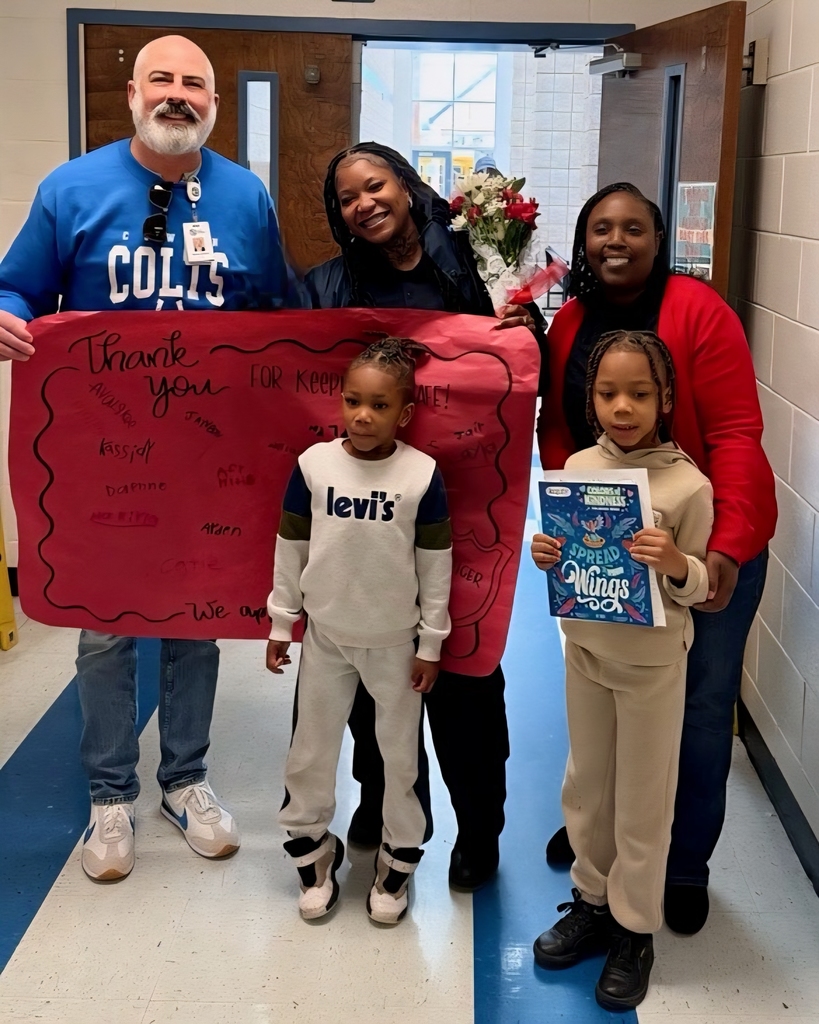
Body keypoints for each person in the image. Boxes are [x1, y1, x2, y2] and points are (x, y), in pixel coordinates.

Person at [0, 35, 294, 881]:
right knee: (107, 628)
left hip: (209, 453)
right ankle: (108, 796)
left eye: (192, 84)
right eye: (161, 80)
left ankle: (187, 779)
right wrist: (9, 313)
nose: (177, 95)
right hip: (106, 454)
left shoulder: (245, 196)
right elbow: (18, 284)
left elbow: (276, 312)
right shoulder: (73, 188)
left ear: (212, 102)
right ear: (132, 94)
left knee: (198, 623)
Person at [538, 182, 777, 933]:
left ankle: (680, 866)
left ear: (658, 238)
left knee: (699, 712)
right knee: (604, 704)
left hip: (702, 542)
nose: (616, 240)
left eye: (632, 228)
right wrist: (563, 523)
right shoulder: (569, 320)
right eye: (600, 228)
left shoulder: (699, 312)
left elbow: (736, 433)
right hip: (612, 555)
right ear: (582, 242)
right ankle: (600, 851)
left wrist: (727, 547)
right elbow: (557, 432)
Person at [306, 141, 545, 892]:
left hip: (469, 509)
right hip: (369, 514)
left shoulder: (484, 258)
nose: (363, 203)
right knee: (373, 672)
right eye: (346, 198)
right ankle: (379, 802)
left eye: (373, 185)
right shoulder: (326, 288)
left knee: (469, 682)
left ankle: (479, 831)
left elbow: (530, 353)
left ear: (405, 187)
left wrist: (523, 324)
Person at [531, 329, 713, 1010]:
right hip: (584, 653)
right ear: (590, 397)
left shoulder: (687, 485)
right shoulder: (576, 466)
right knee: (587, 788)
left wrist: (673, 564)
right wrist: (545, 552)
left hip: (650, 669)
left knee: (641, 800)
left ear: (663, 398)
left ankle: (635, 927)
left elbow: (698, 584)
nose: (622, 407)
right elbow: (563, 555)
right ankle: (592, 900)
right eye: (608, 392)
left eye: (639, 393)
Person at [266, 339, 452, 924]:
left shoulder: (421, 475)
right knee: (310, 751)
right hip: (325, 637)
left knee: (400, 758)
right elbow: (291, 546)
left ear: (405, 413)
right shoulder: (313, 465)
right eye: (352, 401)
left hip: (396, 645)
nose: (363, 415)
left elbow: (435, 563)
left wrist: (430, 643)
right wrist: (280, 621)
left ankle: (396, 867)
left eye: (378, 404)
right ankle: (312, 854)